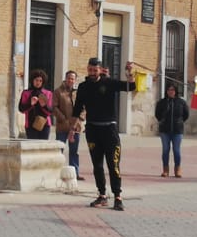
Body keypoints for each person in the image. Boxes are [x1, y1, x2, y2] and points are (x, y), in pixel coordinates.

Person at [72, 57, 137, 211]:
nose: (92, 73)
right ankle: (102, 195)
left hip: (110, 130)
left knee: (113, 165)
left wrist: (129, 72)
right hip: (93, 130)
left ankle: (118, 197)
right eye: (90, 70)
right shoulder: (83, 86)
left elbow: (130, 86)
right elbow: (77, 109)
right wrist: (72, 128)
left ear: (100, 70)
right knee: (97, 165)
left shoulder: (109, 83)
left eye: (95, 70)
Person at [52, 70, 83, 180]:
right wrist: (63, 119)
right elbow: (54, 107)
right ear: (66, 79)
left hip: (75, 127)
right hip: (62, 126)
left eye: (73, 78)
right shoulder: (58, 92)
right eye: (69, 78)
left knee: (74, 151)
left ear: (75, 80)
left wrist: (80, 119)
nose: (71, 80)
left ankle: (75, 172)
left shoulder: (78, 93)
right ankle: (56, 171)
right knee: (59, 150)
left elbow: (83, 108)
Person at [155, 83, 189, 178]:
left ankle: (177, 169)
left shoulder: (181, 102)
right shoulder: (162, 102)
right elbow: (157, 114)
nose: (171, 92)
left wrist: (180, 122)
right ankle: (165, 170)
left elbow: (186, 115)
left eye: (173, 90)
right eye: (169, 90)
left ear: (176, 91)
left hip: (177, 131)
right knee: (165, 150)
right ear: (166, 91)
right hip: (165, 130)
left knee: (176, 150)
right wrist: (162, 121)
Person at [18, 69, 55, 140]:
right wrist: (30, 104)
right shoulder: (26, 93)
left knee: (43, 146)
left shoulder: (48, 93)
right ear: (32, 80)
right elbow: (21, 109)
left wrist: (43, 105)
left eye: (40, 81)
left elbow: (51, 111)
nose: (38, 82)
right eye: (36, 80)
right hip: (30, 124)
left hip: (44, 124)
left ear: (43, 82)